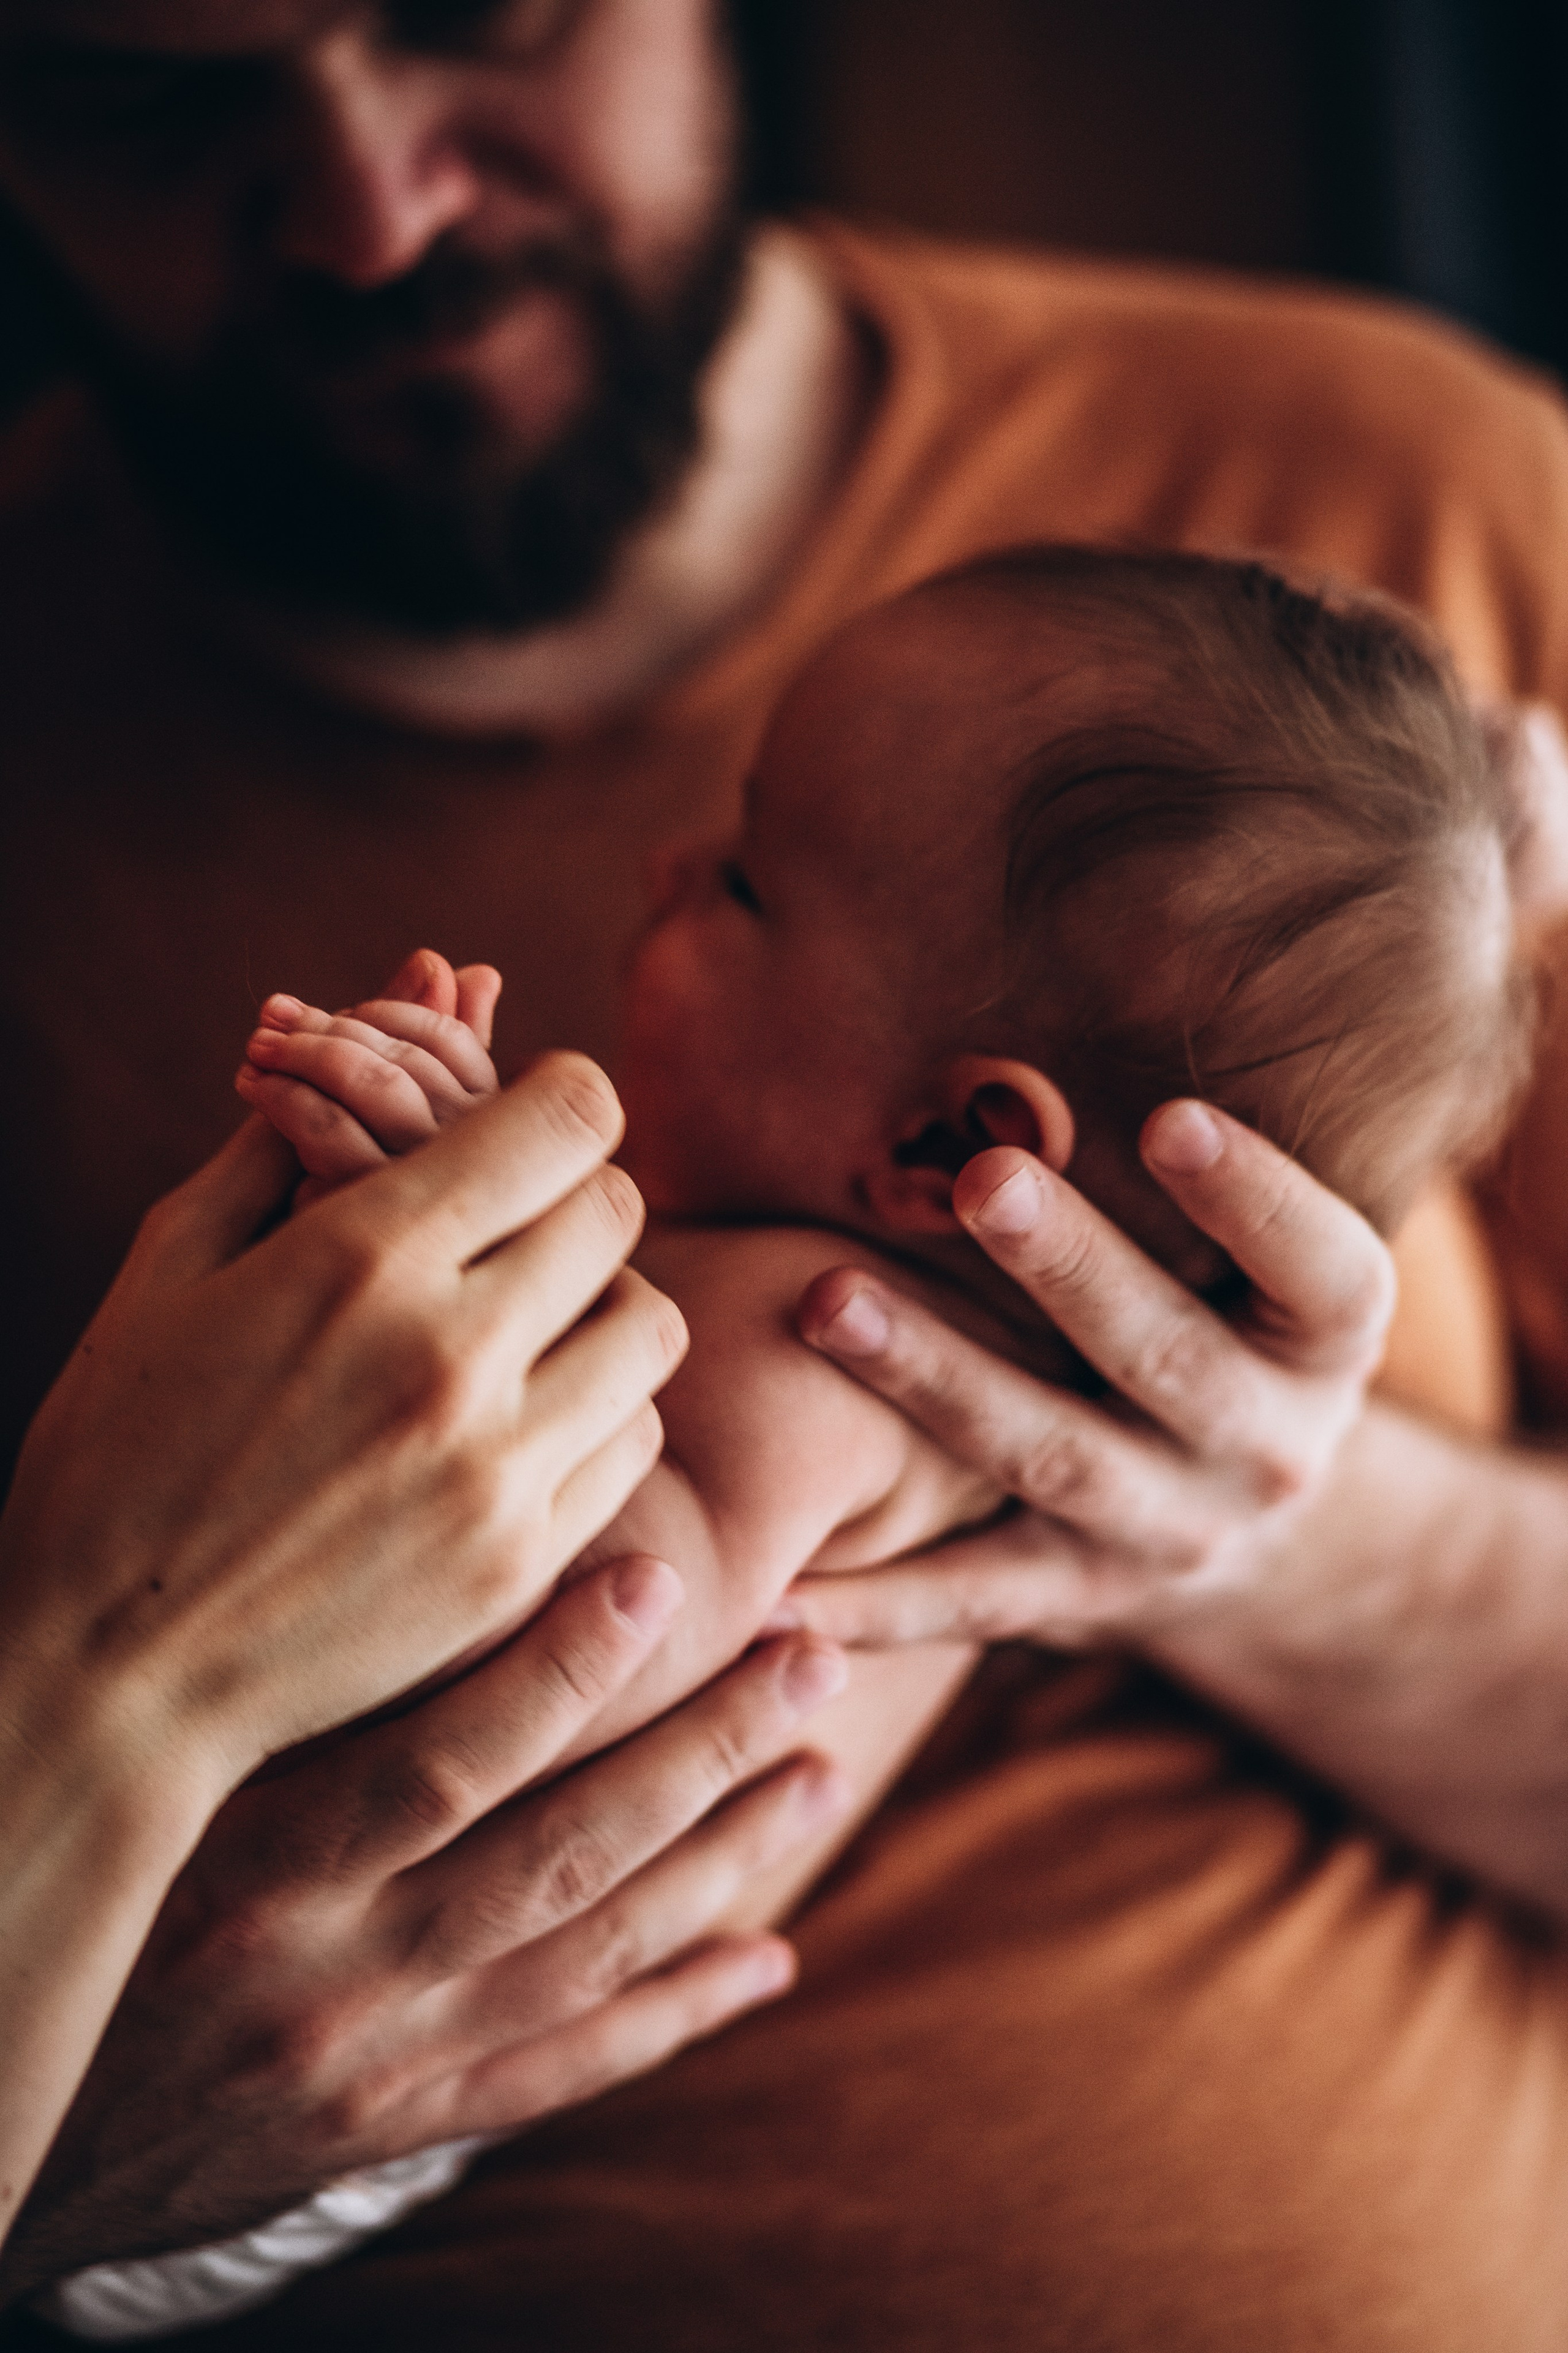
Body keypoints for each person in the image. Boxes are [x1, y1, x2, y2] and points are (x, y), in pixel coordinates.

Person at [3, 0, 1568, 2343]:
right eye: (154, 86)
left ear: (952, 1146)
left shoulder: (1409, 526)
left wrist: (1268, 1523)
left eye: (474, 14)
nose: (372, 206)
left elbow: (596, 1587)